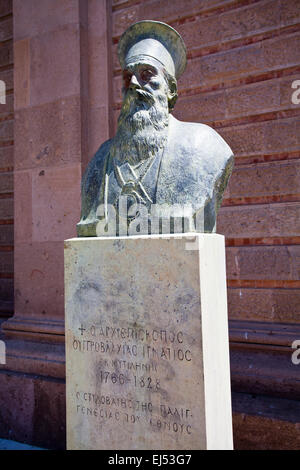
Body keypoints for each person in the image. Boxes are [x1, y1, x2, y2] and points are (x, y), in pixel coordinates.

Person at [77, 20, 234, 237]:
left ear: (170, 90)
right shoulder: (100, 159)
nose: (133, 83)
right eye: (127, 77)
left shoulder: (204, 147)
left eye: (146, 74)